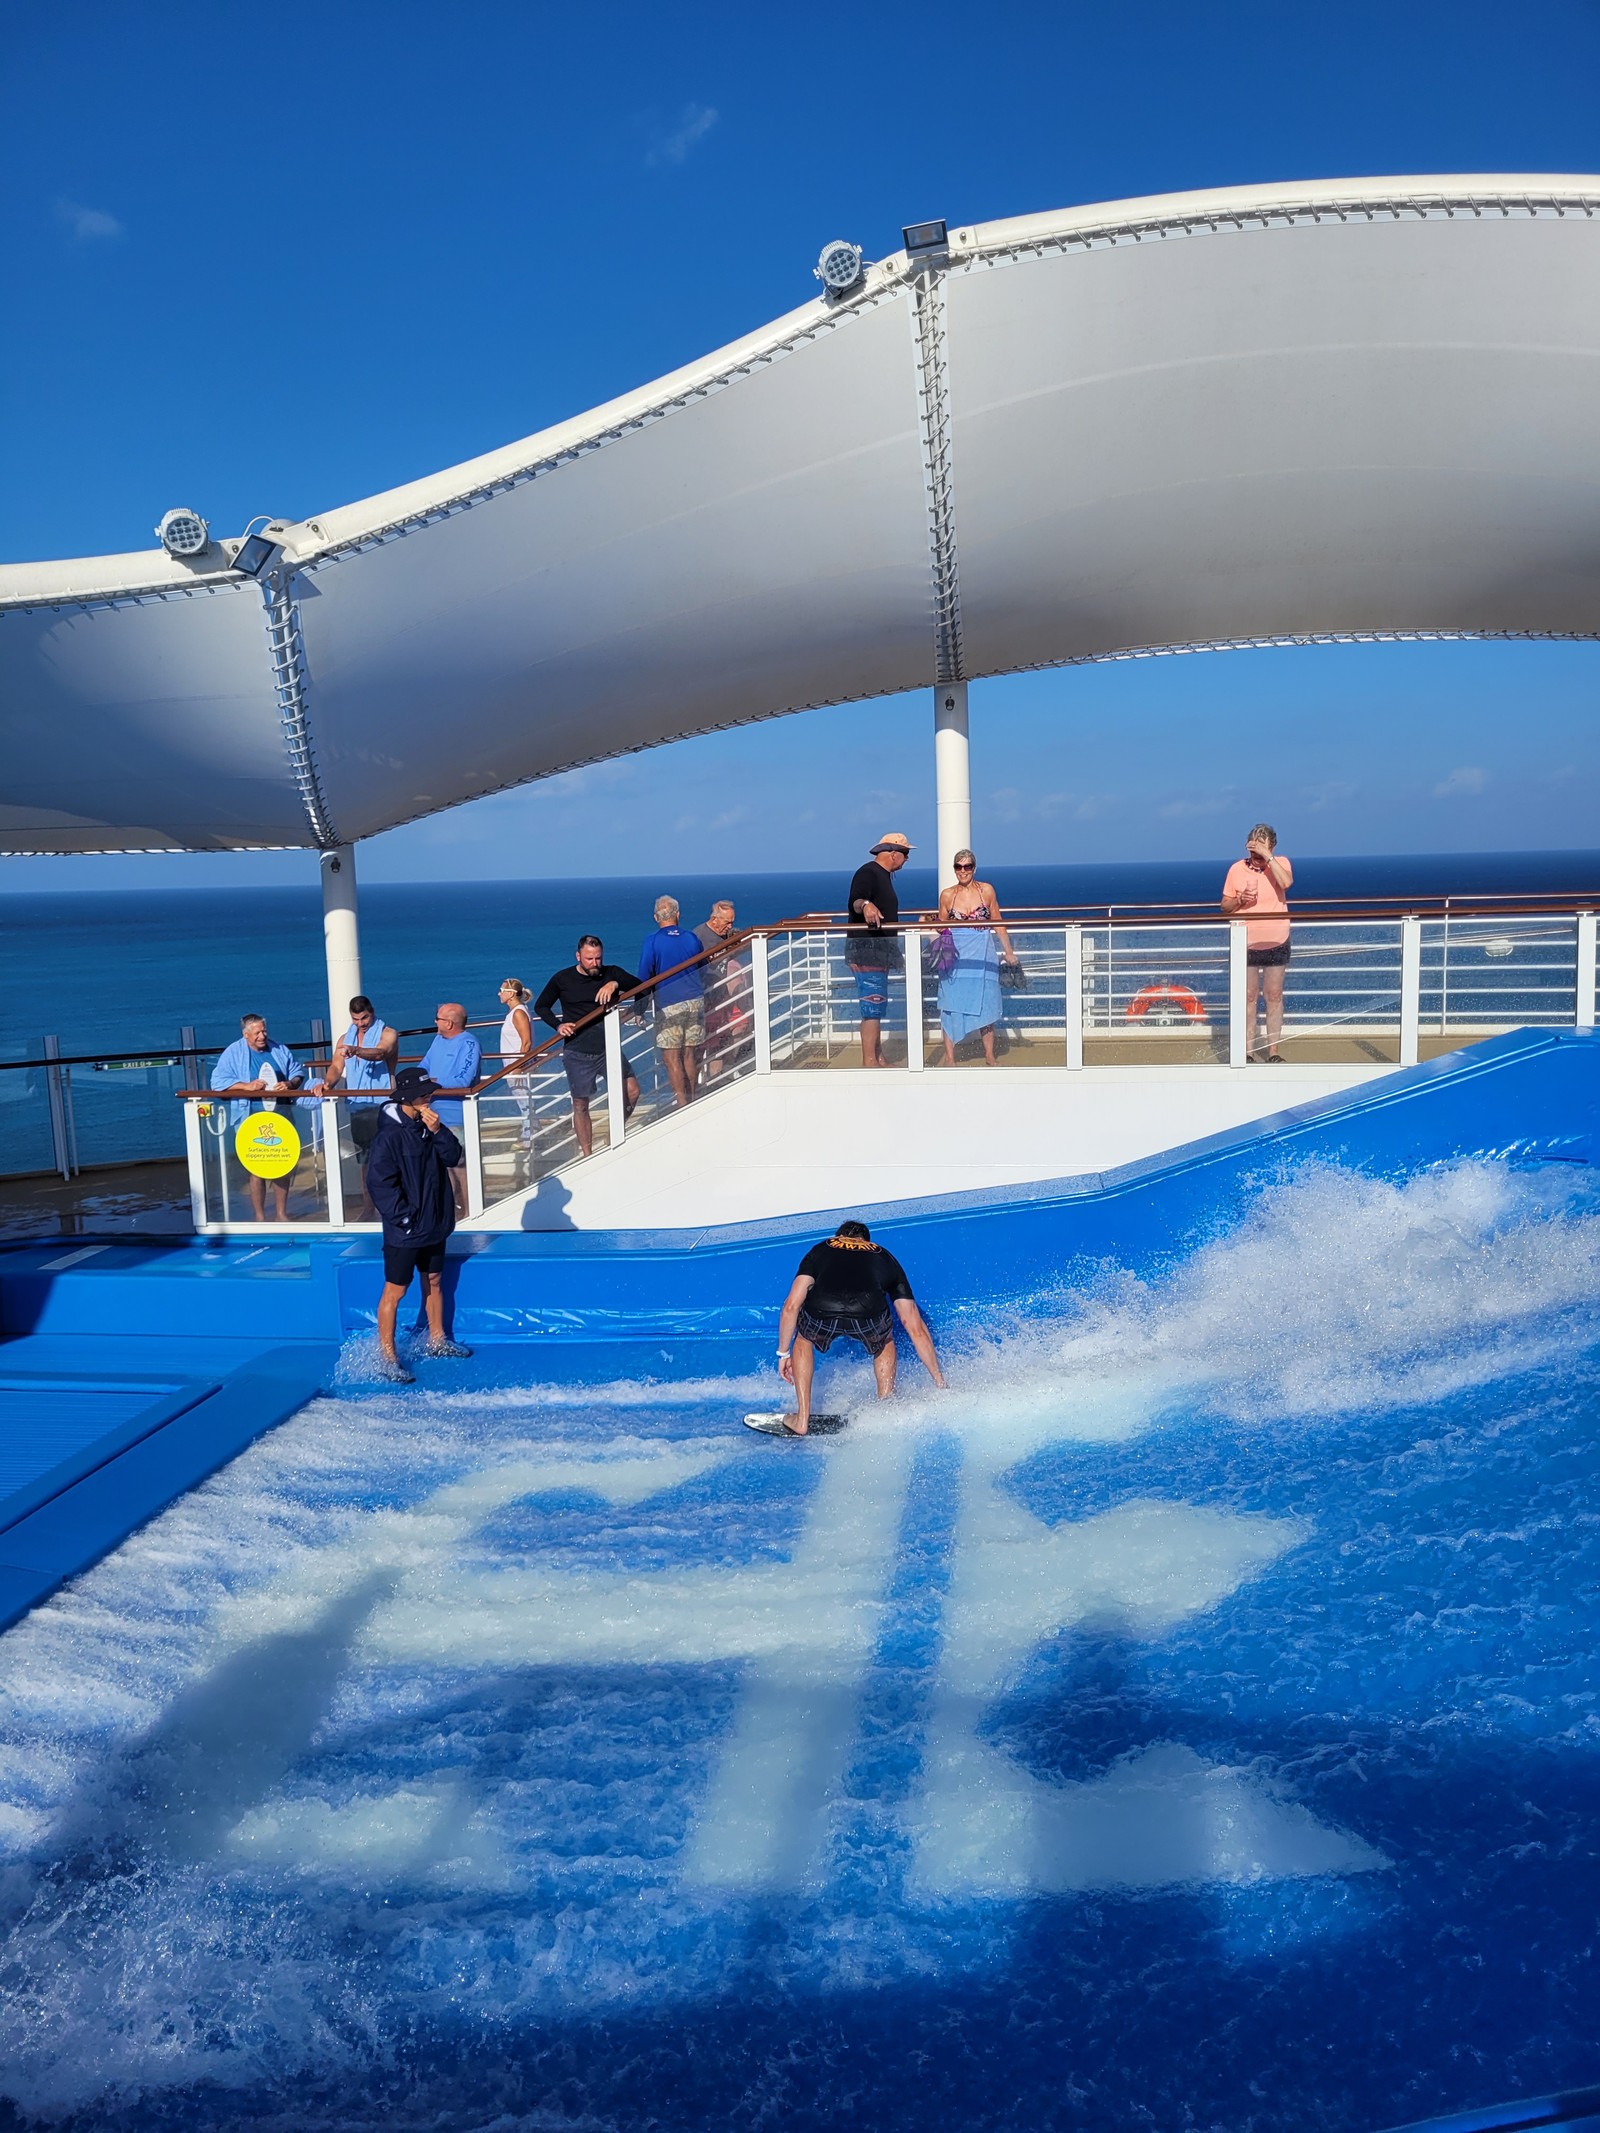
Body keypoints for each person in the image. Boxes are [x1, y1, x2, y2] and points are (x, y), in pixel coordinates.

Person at [761, 1218, 946, 1434]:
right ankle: (885, 1409)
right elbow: (913, 1324)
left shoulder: (821, 1248)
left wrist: (783, 1353)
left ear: (837, 1237)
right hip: (867, 1310)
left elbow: (791, 1306)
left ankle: (802, 1419)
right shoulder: (883, 1255)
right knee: (883, 1341)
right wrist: (940, 1382)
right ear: (867, 1243)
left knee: (804, 1338)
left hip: (823, 1308)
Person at [366, 1066, 474, 1384]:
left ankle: (437, 1340)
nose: (430, 1099)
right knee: (395, 1290)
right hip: (405, 1230)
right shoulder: (388, 1136)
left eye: (431, 1094)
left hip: (434, 1224)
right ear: (410, 1098)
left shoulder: (430, 1125)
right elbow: (379, 1184)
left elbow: (454, 1157)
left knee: (436, 1280)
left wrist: (440, 1131)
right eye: (425, 1095)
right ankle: (388, 1358)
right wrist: (404, 1219)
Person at [533, 937, 641, 1157]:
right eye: (589, 958)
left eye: (598, 958)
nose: (595, 963)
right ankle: (587, 1153)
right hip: (577, 1051)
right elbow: (541, 1006)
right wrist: (558, 1025)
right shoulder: (562, 979)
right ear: (578, 956)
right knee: (581, 1104)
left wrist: (615, 984)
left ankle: (614, 1132)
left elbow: (645, 988)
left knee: (632, 1090)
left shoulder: (612, 973)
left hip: (607, 1047)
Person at [209, 1012, 308, 1221]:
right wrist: (246, 1086)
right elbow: (217, 1083)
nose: (262, 1036)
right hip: (250, 1118)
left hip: (281, 1115)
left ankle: (281, 1213)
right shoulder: (233, 1053)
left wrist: (289, 1084)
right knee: (256, 1167)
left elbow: (298, 1073)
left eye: (264, 1031)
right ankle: (260, 1216)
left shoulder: (279, 1049)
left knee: (284, 1163)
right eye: (257, 1033)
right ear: (246, 1034)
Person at [935, 850, 1020, 1067]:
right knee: (950, 1002)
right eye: (958, 866)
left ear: (974, 867)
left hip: (983, 953)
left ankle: (989, 1055)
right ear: (954, 868)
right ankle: (950, 1057)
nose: (963, 871)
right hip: (955, 958)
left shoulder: (987, 890)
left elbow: (998, 921)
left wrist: (1008, 951)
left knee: (987, 1001)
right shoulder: (947, 895)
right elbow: (941, 928)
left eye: (967, 866)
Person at [318, 995, 398, 1218]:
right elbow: (336, 1066)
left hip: (384, 1105)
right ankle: (368, 1207)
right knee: (365, 1161)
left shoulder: (387, 1033)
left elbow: (381, 1052)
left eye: (364, 1018)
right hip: (358, 1106)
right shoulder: (346, 1039)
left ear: (372, 1012)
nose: (361, 1023)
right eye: (356, 1019)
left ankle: (392, 1205)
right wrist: (327, 1083)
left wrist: (357, 1051)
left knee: (389, 1159)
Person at [1221, 823, 1294, 1062]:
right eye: (1254, 851)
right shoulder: (1236, 870)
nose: (1256, 857)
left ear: (1271, 847)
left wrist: (1268, 857)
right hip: (1246, 941)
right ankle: (1247, 1051)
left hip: (1276, 938)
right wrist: (1241, 900)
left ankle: (1274, 1051)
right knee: (1248, 996)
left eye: (1261, 850)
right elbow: (1225, 906)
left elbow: (1286, 883)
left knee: (1274, 995)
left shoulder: (1280, 863)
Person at [846, 832, 913, 1068]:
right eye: (905, 854)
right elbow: (857, 899)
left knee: (877, 1004)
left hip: (879, 951)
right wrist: (866, 906)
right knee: (872, 1006)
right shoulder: (868, 873)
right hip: (867, 950)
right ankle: (870, 1061)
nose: (906, 859)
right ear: (893, 853)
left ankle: (878, 1057)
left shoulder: (883, 876)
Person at [637, 895, 705, 1107]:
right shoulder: (692, 938)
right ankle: (693, 1097)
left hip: (669, 1003)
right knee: (689, 1054)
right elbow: (703, 965)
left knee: (671, 1057)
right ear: (678, 914)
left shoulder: (653, 941)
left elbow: (644, 975)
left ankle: (682, 1103)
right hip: (695, 999)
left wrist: (640, 1008)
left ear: (656, 917)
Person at [420, 1003, 482, 1215]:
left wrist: (433, 1082)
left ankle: (470, 1211)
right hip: (432, 1116)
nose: (435, 1022)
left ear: (449, 1023)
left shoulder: (469, 1044)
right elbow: (423, 1067)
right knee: (442, 1169)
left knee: (461, 1168)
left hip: (457, 1117)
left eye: (438, 1018)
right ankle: (449, 1213)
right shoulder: (438, 1040)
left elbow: (464, 1079)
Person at [695, 899, 749, 1078]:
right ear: (715, 919)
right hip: (704, 999)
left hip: (720, 996)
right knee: (707, 1045)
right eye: (727, 922)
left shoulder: (726, 934)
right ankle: (698, 1088)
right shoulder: (699, 936)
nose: (730, 926)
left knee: (723, 1040)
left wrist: (739, 940)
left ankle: (720, 1078)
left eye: (732, 921)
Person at [497, 979, 537, 1150]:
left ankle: (529, 1139)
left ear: (511, 994)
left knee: (524, 1102)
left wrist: (519, 1066)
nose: (499, 994)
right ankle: (531, 1133)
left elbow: (526, 1042)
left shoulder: (518, 1013)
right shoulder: (517, 1012)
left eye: (501, 990)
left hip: (517, 1066)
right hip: (514, 1065)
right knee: (524, 1101)